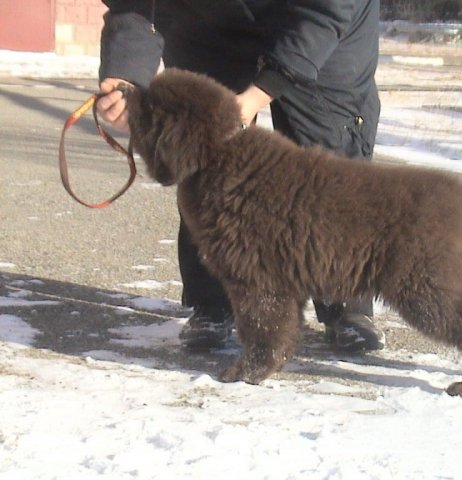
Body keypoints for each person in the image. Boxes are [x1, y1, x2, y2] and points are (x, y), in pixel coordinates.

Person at [96, 0, 385, 353]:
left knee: (329, 153)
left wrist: (255, 97)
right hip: (207, 22)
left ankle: (344, 302)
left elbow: (327, 13)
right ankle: (214, 304)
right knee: (204, 157)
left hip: (319, 20)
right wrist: (126, 72)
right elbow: (136, 4)